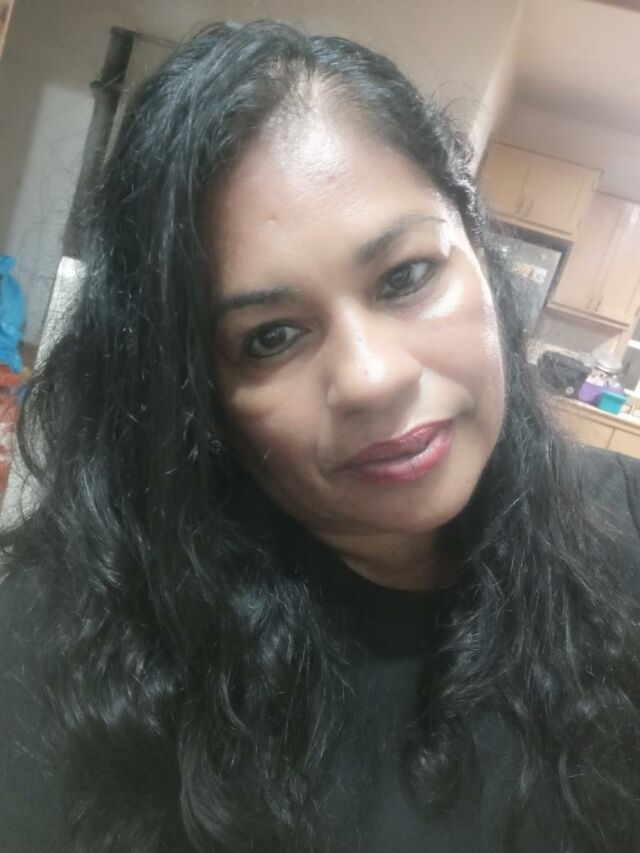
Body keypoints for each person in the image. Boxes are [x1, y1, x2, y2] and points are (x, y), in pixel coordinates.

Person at [1, 18, 639, 853]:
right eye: (270, 337)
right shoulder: (68, 640)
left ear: (479, 250)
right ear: (199, 397)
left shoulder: (626, 523)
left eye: (407, 275)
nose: (372, 378)